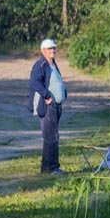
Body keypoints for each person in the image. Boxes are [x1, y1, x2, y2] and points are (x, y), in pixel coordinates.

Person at [29, 38, 67, 175]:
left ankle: (46, 168)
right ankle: (53, 168)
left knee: (50, 137)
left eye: (54, 48)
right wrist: (46, 96)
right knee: (52, 137)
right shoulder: (40, 64)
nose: (53, 51)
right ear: (43, 50)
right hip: (48, 107)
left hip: (57, 105)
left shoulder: (53, 64)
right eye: (50, 48)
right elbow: (34, 82)